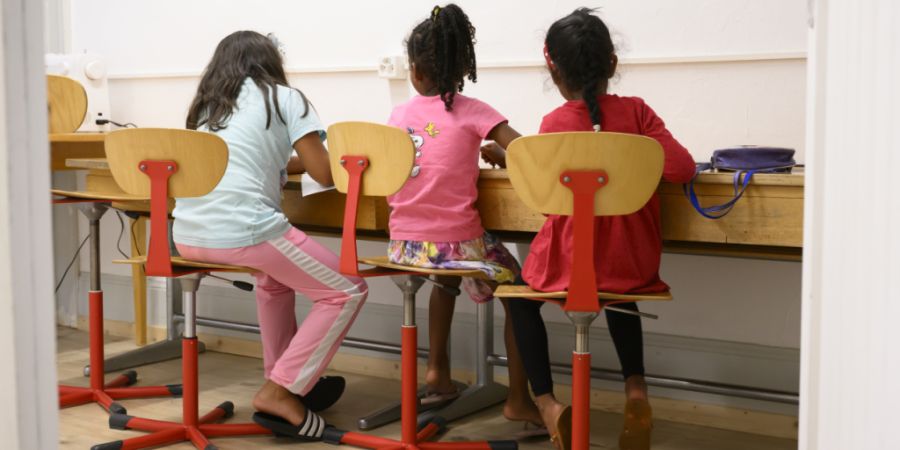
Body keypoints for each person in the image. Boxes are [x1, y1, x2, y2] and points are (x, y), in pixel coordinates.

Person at [503, 9, 696, 450]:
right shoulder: (639, 114)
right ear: (611, 64)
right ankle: (636, 392)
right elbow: (683, 169)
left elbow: (541, 201)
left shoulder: (552, 125)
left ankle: (548, 404)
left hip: (570, 269)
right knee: (616, 291)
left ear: (553, 70)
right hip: (633, 264)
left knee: (517, 295)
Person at [174, 30, 368, 441]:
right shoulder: (283, 97)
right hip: (243, 229)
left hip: (187, 234)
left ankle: (286, 381)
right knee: (347, 289)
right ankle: (280, 390)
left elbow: (258, 160)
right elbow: (325, 173)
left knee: (274, 280)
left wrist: (288, 162)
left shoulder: (209, 108)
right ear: (270, 63)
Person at [386, 3, 544, 434]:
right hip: (455, 245)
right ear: (462, 70)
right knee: (519, 289)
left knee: (445, 275)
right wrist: (497, 152)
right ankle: (518, 398)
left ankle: (437, 371)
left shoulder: (399, 116)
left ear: (415, 71)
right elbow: (531, 153)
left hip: (403, 247)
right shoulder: (476, 111)